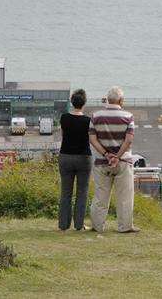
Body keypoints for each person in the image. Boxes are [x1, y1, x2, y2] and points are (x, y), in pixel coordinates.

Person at [89, 86, 138, 233]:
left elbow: (92, 139)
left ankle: (98, 226)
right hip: (123, 161)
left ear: (107, 99)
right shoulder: (128, 117)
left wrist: (106, 154)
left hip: (101, 162)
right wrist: (117, 156)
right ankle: (124, 227)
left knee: (100, 196)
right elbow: (128, 140)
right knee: (124, 196)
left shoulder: (95, 116)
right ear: (121, 100)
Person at [58, 89, 93, 231]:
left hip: (65, 156)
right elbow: (91, 139)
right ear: (84, 103)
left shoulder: (64, 118)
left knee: (65, 192)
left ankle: (63, 225)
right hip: (84, 157)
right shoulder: (87, 121)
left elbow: (62, 135)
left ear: (72, 102)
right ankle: (79, 225)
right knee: (82, 192)